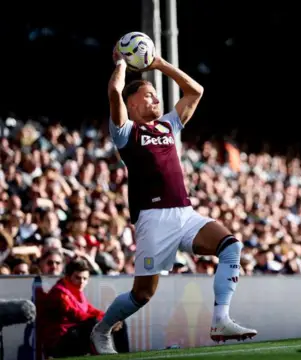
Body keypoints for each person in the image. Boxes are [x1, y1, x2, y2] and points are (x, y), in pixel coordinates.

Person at [90, 46, 256, 354]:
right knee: (142, 294)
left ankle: (221, 320)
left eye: (156, 94)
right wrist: (123, 63)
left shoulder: (168, 125)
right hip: (152, 219)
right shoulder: (126, 132)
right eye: (150, 93)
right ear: (132, 102)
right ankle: (101, 330)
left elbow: (196, 91)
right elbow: (114, 90)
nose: (156, 98)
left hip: (185, 214)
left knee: (231, 246)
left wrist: (160, 64)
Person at [41, 258, 129, 357]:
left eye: (85, 278)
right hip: (59, 342)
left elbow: (90, 309)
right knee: (93, 323)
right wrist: (105, 321)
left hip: (75, 336)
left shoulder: (76, 290)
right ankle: (102, 356)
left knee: (118, 319)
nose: (82, 282)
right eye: (78, 278)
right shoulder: (59, 292)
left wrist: (110, 318)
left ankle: (124, 357)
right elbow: (77, 315)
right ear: (68, 277)